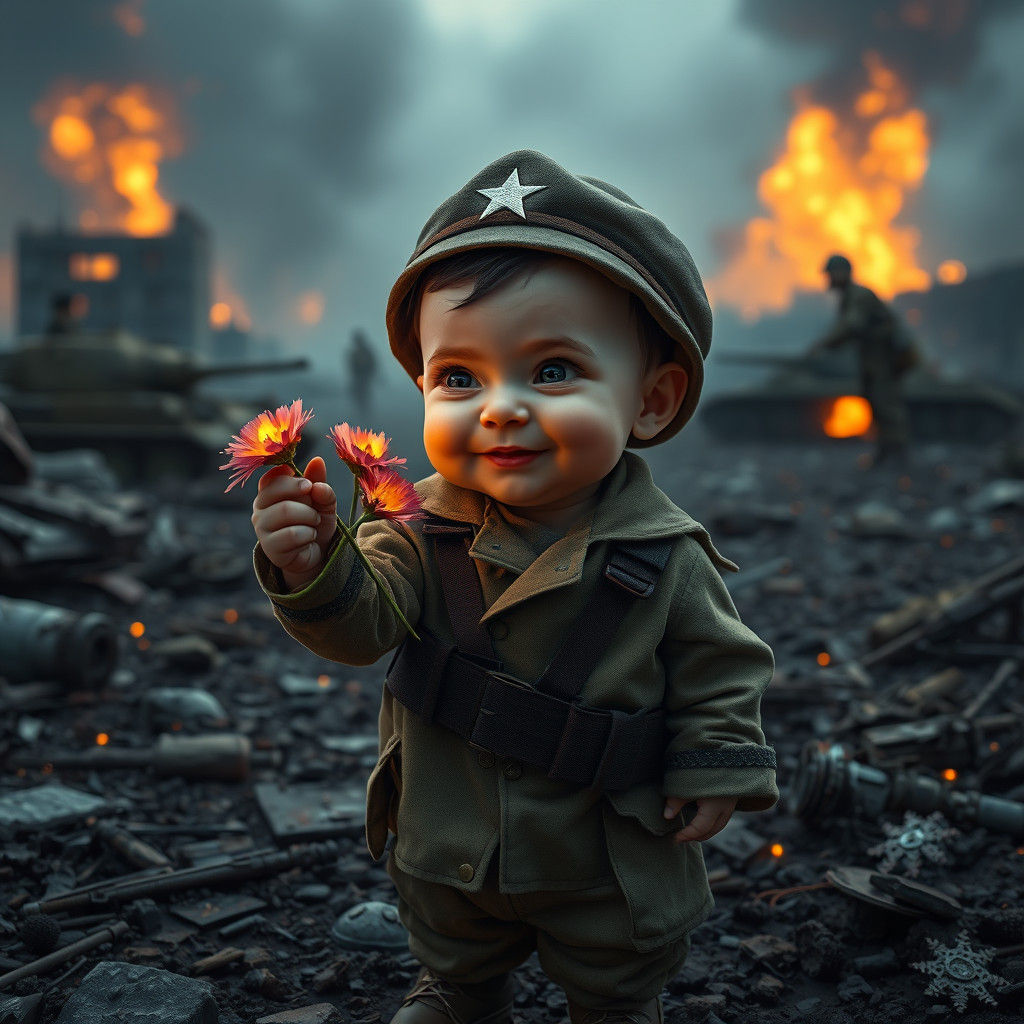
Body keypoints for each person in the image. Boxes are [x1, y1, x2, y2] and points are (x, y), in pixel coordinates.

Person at [250, 150, 777, 1024]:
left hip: (601, 843)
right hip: (451, 831)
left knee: (615, 956)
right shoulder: (411, 526)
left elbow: (723, 666)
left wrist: (712, 764)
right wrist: (313, 566)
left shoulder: (665, 555)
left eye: (554, 370)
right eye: (459, 378)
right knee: (450, 932)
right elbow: (363, 624)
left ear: (651, 400)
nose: (498, 407)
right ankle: (460, 989)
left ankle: (614, 1006)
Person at [812, 254, 913, 466]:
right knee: (876, 401)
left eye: (831, 274)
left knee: (885, 402)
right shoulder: (849, 297)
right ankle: (886, 451)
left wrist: (826, 343)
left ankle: (897, 452)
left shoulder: (859, 296)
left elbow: (852, 325)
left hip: (884, 356)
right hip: (872, 356)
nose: (828, 279)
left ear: (842, 273)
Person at [346, 328, 379, 417]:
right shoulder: (354, 353)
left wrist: (371, 375)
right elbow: (351, 366)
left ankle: (365, 414)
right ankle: (361, 414)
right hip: (358, 378)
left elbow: (373, 364)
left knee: (364, 396)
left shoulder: (366, 352)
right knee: (358, 396)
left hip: (364, 378)